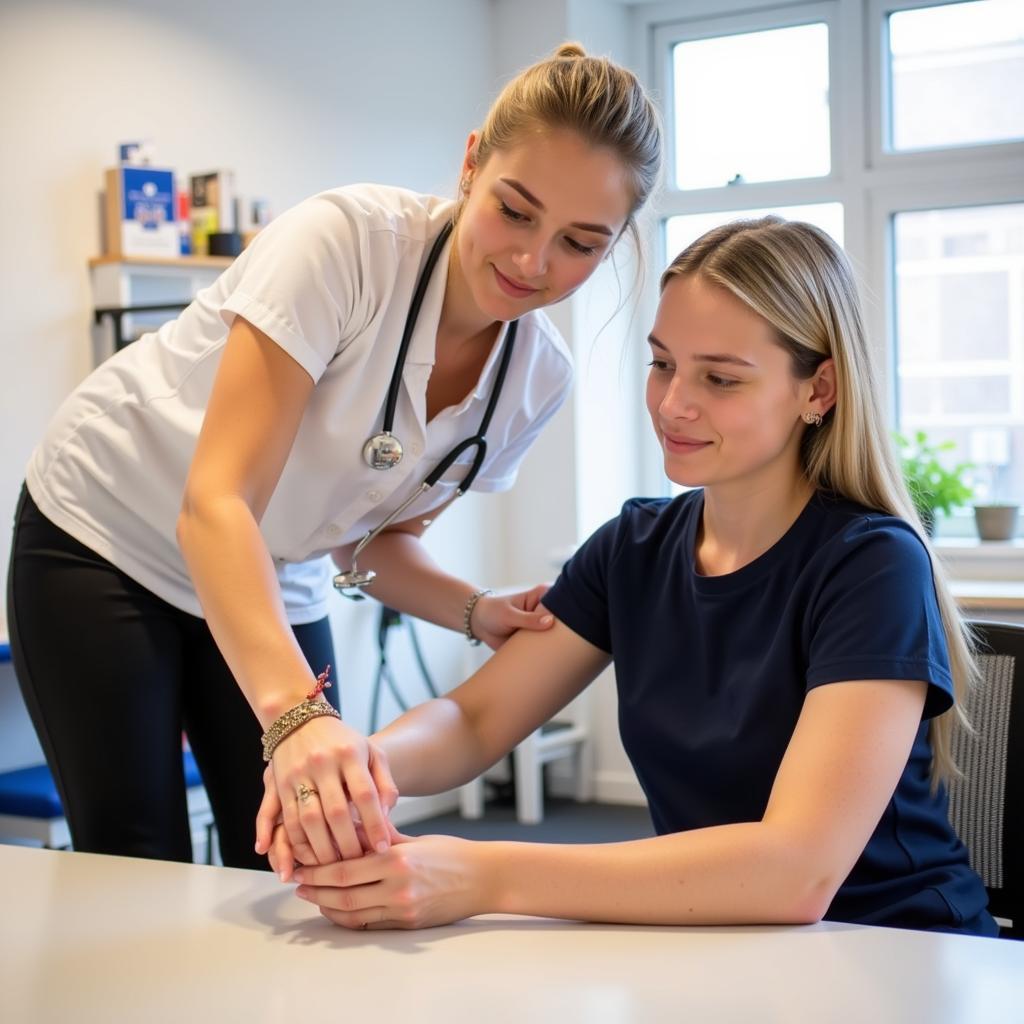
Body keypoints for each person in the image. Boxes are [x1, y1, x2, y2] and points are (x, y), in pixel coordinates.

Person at [6, 43, 662, 869]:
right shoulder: (347, 243)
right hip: (109, 529)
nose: (534, 262)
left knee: (317, 844)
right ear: (470, 164)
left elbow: (374, 545)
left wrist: (474, 609)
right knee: (140, 856)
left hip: (276, 571)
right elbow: (217, 504)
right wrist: (294, 717)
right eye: (517, 211)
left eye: (580, 242)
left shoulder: (535, 381)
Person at [261, 217, 997, 937]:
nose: (674, 403)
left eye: (721, 378)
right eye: (663, 363)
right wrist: (356, 767)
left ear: (819, 390)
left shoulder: (871, 564)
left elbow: (795, 870)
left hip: (892, 950)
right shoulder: (634, 549)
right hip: (719, 949)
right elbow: (476, 719)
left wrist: (485, 876)